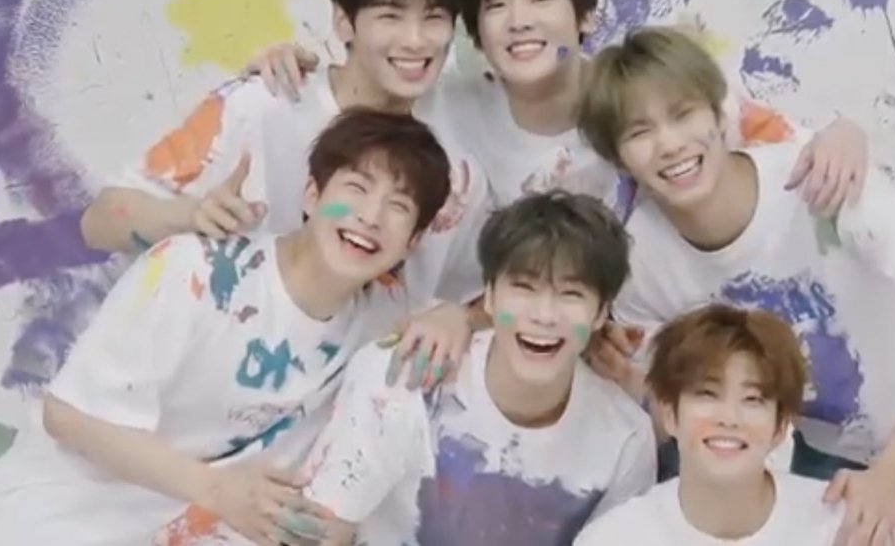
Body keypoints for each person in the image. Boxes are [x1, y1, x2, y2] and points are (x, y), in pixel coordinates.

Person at [580, 27, 895, 546]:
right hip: (831, 443)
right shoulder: (639, 260)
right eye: (640, 132)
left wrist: (892, 473)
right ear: (618, 158)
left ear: (720, 114)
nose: (670, 144)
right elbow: (675, 411)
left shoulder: (820, 179)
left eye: (683, 114)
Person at [0, 108, 455, 546]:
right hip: (52, 522)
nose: (370, 217)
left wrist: (458, 316)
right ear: (312, 194)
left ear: (412, 242)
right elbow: (67, 417)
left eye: (398, 206)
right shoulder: (195, 270)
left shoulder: (385, 317)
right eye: (357, 189)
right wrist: (217, 490)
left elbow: (486, 315)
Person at [80, 0, 492, 388]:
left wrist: (462, 318)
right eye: (390, 16)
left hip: (332, 416)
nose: (415, 40)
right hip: (196, 388)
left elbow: (487, 299)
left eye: (434, 18)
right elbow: (99, 222)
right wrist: (191, 215)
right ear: (344, 21)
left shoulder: (458, 174)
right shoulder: (260, 106)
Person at [246, 0, 870, 221]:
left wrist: (844, 133)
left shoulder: (646, 92)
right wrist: (287, 66)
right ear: (476, 33)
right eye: (496, 5)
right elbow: (358, 97)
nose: (519, 21)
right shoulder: (449, 103)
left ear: (586, 17)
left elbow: (784, 144)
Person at [265, 191, 657, 546]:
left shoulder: (625, 438)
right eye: (524, 288)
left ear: (601, 313)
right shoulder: (405, 377)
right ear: (489, 296)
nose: (544, 315)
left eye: (571, 295)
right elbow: (323, 529)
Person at [576, 304, 843, 546]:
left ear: (781, 425)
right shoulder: (614, 537)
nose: (729, 418)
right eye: (707, 394)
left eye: (752, 399)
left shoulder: (842, 526)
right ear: (670, 414)